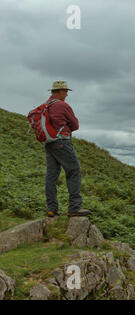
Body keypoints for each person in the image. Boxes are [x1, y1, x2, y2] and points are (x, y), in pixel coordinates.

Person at [44, 80, 91, 218]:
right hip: (62, 141)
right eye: (65, 91)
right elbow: (75, 125)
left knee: (51, 175)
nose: (66, 94)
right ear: (58, 92)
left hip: (49, 142)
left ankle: (51, 209)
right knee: (74, 171)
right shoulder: (62, 105)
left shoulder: (46, 105)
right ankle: (74, 208)